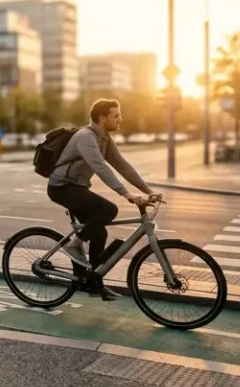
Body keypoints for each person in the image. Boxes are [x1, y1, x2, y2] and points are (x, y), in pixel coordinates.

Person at [46, 99, 159, 301]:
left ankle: (91, 282)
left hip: (77, 187)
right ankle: (73, 245)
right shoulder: (86, 137)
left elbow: (122, 166)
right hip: (61, 187)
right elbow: (100, 167)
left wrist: (148, 190)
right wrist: (126, 194)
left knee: (99, 232)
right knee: (109, 210)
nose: (120, 119)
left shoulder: (105, 139)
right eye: (116, 115)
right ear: (102, 117)